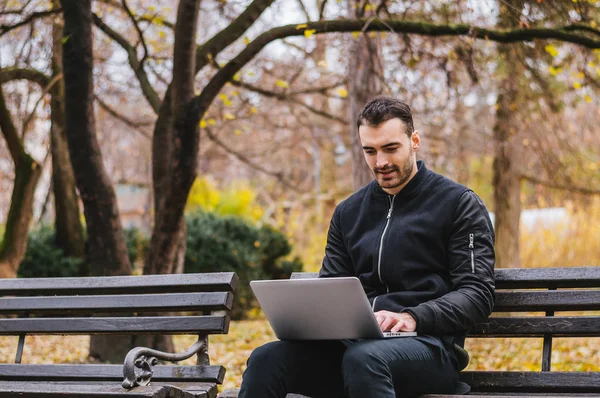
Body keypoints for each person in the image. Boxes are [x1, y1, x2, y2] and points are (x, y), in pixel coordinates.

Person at [238, 96, 496, 398]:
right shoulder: (349, 212)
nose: (380, 162)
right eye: (370, 151)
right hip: (353, 349)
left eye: (390, 148)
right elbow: (332, 287)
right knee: (266, 360)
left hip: (429, 348)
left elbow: (477, 293)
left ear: (414, 141)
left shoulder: (458, 204)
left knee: (366, 360)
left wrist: (413, 316)